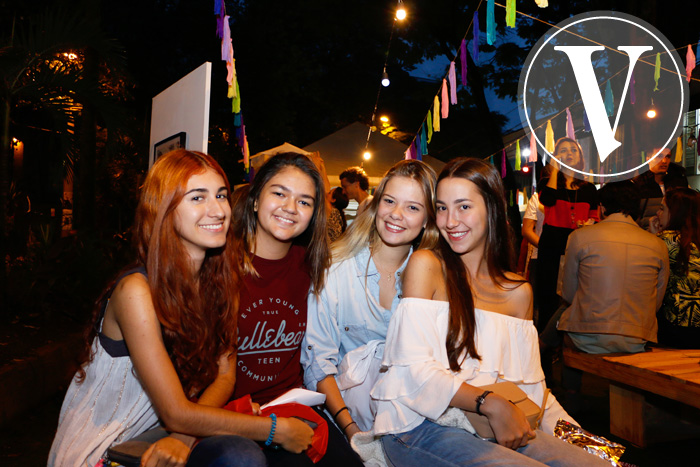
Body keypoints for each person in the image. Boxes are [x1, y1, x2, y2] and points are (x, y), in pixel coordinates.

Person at [49, 150, 312, 467]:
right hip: (108, 446)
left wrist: (184, 435)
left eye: (221, 195)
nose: (217, 210)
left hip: (171, 434)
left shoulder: (223, 282)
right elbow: (175, 410)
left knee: (240, 458)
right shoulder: (136, 291)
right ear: (165, 208)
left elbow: (225, 378)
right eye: (197, 198)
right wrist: (275, 430)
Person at [369, 158, 608, 467]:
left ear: (492, 209)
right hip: (418, 427)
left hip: (488, 426)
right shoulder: (428, 265)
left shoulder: (519, 292)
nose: (450, 221)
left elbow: (534, 391)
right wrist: (487, 402)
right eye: (441, 208)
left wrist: (588, 444)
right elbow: (412, 370)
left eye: (463, 206)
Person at [228, 152, 363, 467]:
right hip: (233, 422)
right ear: (256, 199)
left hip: (297, 412)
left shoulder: (314, 267)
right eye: (279, 193)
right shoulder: (219, 266)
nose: (290, 208)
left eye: (304, 201)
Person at [302, 160, 439, 441]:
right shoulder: (335, 268)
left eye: (413, 207)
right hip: (344, 419)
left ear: (427, 219)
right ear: (377, 204)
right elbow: (318, 363)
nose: (396, 215)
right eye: (390, 201)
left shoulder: (435, 277)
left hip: (414, 421)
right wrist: (351, 430)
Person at [555, 180, 669, 354]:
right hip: (636, 338)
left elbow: (568, 294)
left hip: (587, 336)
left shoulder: (579, 236)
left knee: (566, 325)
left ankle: (561, 375)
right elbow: (656, 302)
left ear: (601, 207)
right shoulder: (658, 245)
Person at [535, 138, 598, 332]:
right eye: (563, 151)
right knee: (548, 296)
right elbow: (547, 199)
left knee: (577, 294)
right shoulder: (548, 182)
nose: (569, 153)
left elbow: (595, 215)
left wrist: (589, 223)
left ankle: (570, 338)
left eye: (573, 150)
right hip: (552, 244)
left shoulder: (589, 187)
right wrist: (554, 170)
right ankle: (544, 342)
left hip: (578, 245)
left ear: (580, 156)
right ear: (555, 156)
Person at [650, 187, 700, 348]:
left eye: (662, 208)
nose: (658, 214)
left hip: (679, 325)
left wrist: (653, 236)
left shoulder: (668, 239)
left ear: (676, 212)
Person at [633, 148, 688, 229]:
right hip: (646, 235)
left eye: (668, 157)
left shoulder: (678, 182)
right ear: (648, 159)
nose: (664, 161)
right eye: (659, 156)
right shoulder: (639, 184)